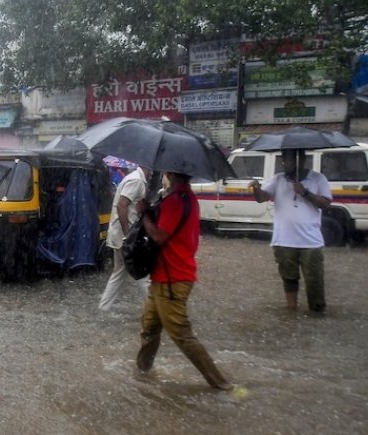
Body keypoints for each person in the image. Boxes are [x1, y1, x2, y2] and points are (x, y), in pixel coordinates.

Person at [135, 171, 232, 390]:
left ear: (169, 173)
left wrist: (144, 215)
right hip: (166, 277)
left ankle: (222, 385)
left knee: (181, 334)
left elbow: (159, 236)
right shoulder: (186, 197)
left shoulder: (175, 201)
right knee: (149, 328)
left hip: (172, 279)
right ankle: (142, 373)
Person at [249, 149, 332, 312]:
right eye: (283, 160)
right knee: (289, 279)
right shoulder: (278, 179)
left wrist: (305, 192)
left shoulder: (318, 178)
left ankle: (317, 313)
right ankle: (291, 311)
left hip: (311, 241)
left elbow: (326, 204)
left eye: (289, 160)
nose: (285, 164)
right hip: (283, 240)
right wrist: (256, 189)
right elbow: (261, 198)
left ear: (301, 160)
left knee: (314, 280)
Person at [98, 165, 151, 311]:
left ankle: (104, 307)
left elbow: (130, 205)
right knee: (142, 273)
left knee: (119, 272)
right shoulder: (136, 181)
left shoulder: (136, 179)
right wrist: (128, 235)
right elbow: (122, 205)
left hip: (121, 235)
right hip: (127, 237)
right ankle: (156, 312)